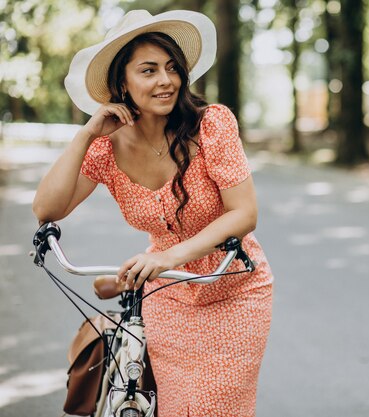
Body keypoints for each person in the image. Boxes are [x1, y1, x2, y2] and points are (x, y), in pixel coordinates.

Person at [32, 9, 273, 417]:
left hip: (234, 288)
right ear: (121, 83)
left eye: (172, 68)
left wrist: (165, 257)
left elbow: (243, 213)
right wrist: (87, 134)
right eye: (148, 70)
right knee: (176, 408)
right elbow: (47, 208)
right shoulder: (105, 149)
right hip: (168, 299)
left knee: (219, 407)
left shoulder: (211, 125)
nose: (166, 80)